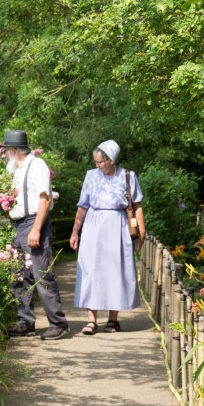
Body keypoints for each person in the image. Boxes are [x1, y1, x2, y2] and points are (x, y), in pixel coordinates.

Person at [68, 140, 145, 335]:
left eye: (100, 162)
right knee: (91, 270)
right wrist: (75, 231)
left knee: (115, 270)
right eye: (95, 162)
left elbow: (137, 205)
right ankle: (91, 320)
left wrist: (141, 231)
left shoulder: (128, 176)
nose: (97, 165)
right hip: (94, 226)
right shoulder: (91, 176)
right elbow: (82, 205)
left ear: (111, 160)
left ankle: (113, 319)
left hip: (117, 226)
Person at [3, 130, 69, 340]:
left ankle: (58, 323)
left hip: (33, 222)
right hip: (18, 224)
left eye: (6, 151)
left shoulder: (36, 165)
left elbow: (45, 199)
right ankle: (25, 322)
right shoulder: (18, 169)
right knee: (19, 275)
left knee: (42, 274)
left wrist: (36, 229)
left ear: (14, 150)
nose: (4, 155)